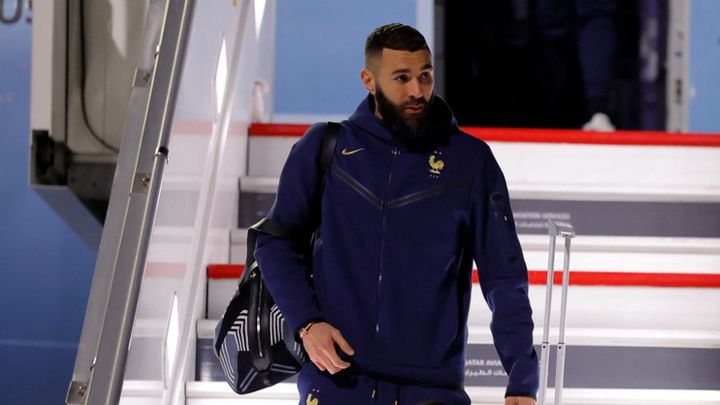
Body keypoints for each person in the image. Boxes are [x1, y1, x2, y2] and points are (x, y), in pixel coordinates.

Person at [255, 23, 538, 405]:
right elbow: (275, 241)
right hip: (337, 381)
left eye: (425, 76)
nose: (417, 91)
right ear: (368, 80)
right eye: (402, 78)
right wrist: (306, 322)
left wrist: (522, 379)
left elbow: (504, 277)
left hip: (432, 389)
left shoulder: (471, 161)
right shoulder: (325, 148)